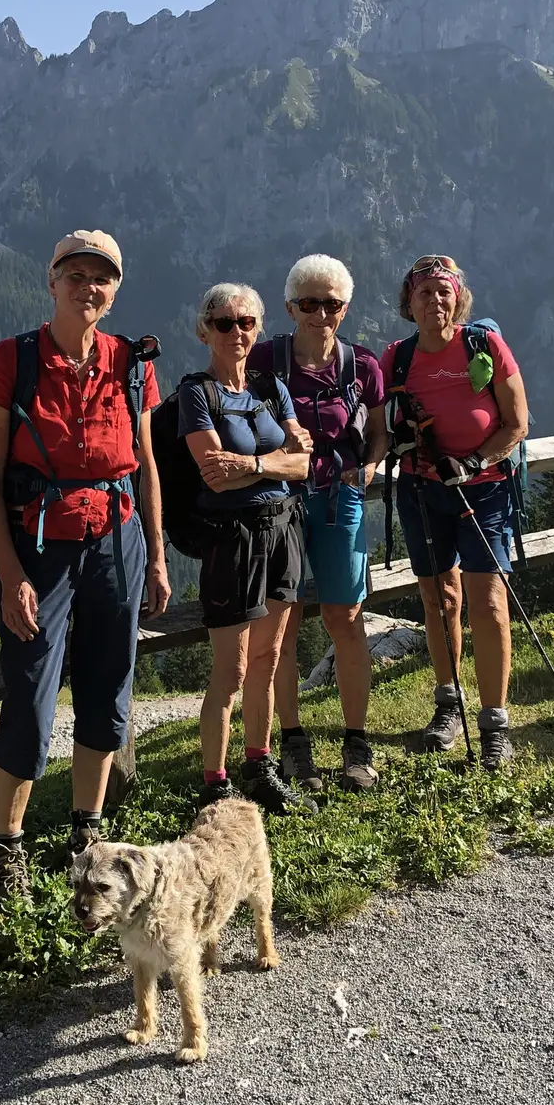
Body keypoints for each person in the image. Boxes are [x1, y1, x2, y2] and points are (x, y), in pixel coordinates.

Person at [0, 230, 172, 909]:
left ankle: (87, 837)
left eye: (103, 278)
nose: (90, 288)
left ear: (115, 292)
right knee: (29, 697)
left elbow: (145, 466)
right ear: (51, 282)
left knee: (108, 690)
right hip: (40, 546)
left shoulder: (131, 363)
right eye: (76, 275)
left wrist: (157, 554)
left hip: (118, 541)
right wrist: (10, 574)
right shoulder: (11, 362)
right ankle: (6, 848)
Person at [381, 254, 529, 770]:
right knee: (440, 600)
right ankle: (448, 704)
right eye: (424, 292)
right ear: (409, 303)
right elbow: (380, 427)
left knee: (488, 603)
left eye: (444, 291)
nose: (435, 300)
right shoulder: (395, 359)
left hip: (482, 490)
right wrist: (395, 443)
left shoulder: (483, 345)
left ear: (457, 298)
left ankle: (493, 723)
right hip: (422, 492)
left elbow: (517, 424)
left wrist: (472, 461)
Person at [249, 255, 390, 793]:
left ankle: (357, 742)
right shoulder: (264, 359)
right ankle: (293, 742)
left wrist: (371, 465)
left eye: (331, 304)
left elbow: (378, 431)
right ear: (290, 307)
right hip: (276, 503)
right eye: (309, 303)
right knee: (280, 624)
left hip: (338, 499)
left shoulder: (362, 367)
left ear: (345, 308)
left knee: (345, 617)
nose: (320, 313)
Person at [180, 282, 315, 812]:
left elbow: (303, 464)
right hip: (231, 541)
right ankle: (214, 783)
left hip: (283, 529)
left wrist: (253, 466)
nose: (236, 332)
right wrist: (277, 457)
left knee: (270, 655)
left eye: (246, 322)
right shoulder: (197, 392)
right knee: (231, 670)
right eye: (224, 323)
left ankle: (257, 765)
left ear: (258, 328)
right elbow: (213, 475)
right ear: (205, 330)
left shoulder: (271, 386)